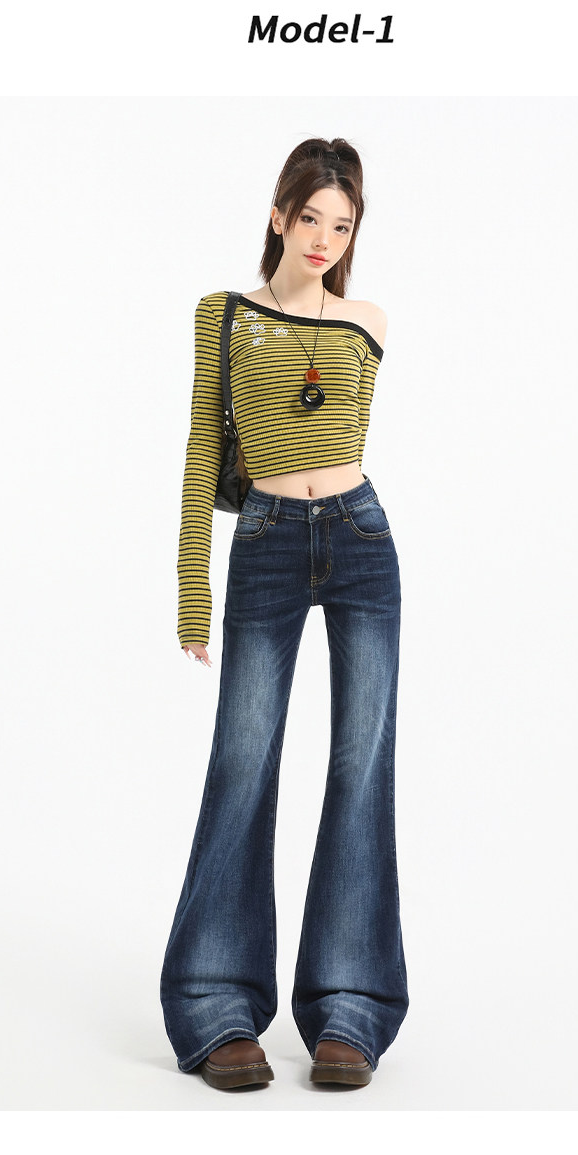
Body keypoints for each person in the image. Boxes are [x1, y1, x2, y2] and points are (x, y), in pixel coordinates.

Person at [160, 137, 409, 1090]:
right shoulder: (224, 315)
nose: (323, 239)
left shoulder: (368, 322)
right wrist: (192, 590)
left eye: (341, 225)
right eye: (310, 217)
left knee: (360, 767)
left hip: (361, 538)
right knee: (243, 761)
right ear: (278, 214)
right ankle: (215, 1001)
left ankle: (351, 1008)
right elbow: (201, 452)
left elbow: (338, 427)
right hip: (264, 540)